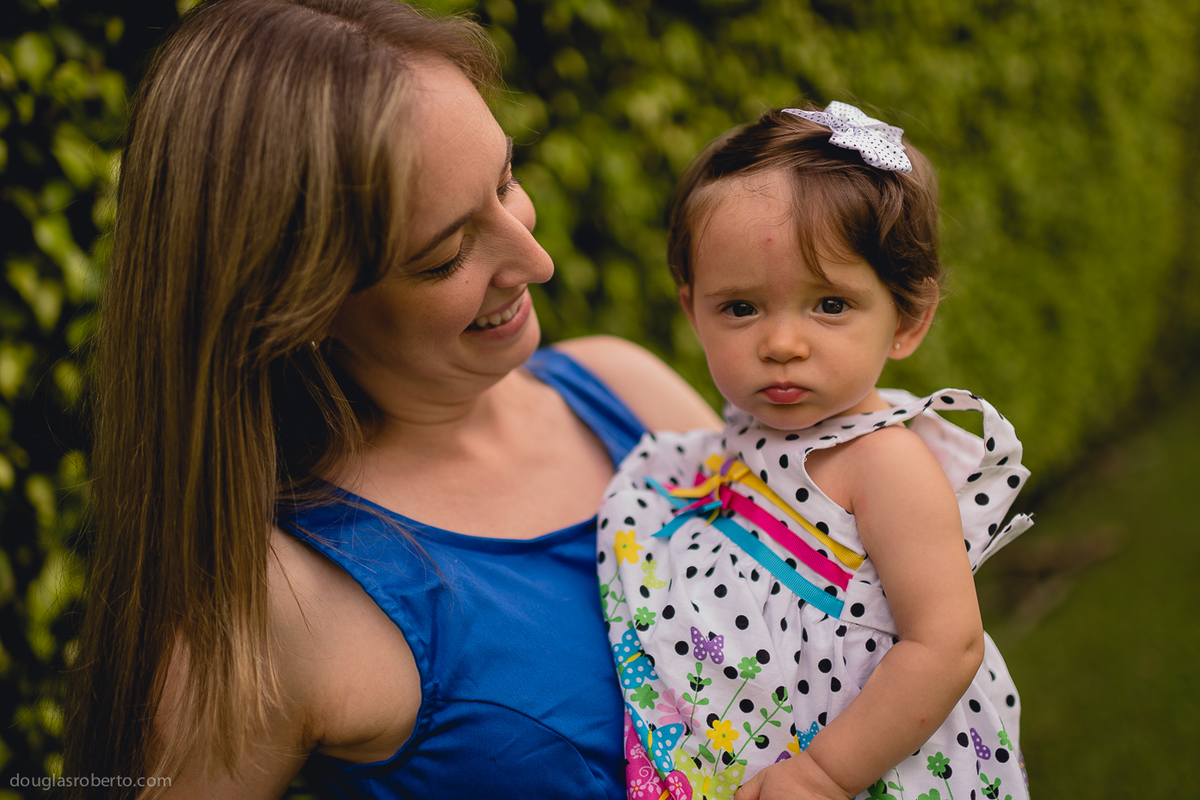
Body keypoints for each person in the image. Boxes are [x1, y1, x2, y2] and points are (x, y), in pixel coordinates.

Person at [62, 1, 720, 797]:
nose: (537, 260)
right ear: (300, 305)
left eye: (506, 181)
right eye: (445, 257)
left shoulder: (626, 392)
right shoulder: (280, 608)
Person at [597, 103, 1034, 800]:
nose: (781, 344)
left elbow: (946, 643)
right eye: (739, 308)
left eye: (829, 305)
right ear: (692, 312)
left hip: (866, 758)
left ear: (907, 320)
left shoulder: (885, 463)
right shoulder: (745, 428)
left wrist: (826, 773)